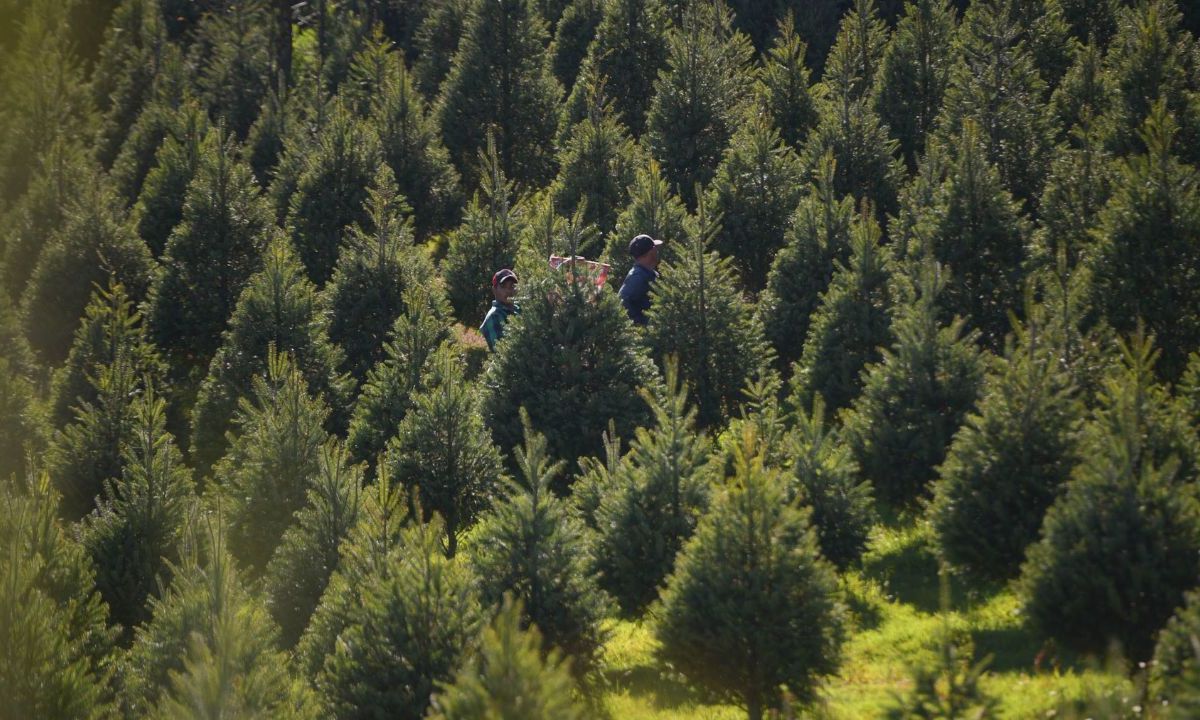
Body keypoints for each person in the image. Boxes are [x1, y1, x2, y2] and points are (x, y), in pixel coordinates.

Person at [618, 233, 662, 325]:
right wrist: (641, 324)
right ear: (651, 252)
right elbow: (623, 301)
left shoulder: (648, 273)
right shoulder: (637, 276)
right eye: (655, 248)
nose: (657, 251)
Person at [480, 268, 519, 351]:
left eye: (512, 286)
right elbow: (502, 352)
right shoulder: (494, 316)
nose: (508, 290)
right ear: (494, 290)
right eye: (503, 286)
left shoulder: (520, 308)